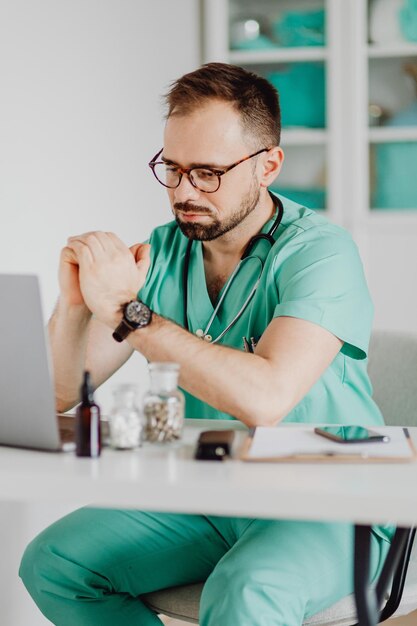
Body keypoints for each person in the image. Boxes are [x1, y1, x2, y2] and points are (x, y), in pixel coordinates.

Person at [19, 62, 392, 626]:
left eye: (208, 172)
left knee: (243, 594)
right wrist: (77, 300)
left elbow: (265, 400)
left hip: (332, 502)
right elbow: (56, 394)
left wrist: (129, 312)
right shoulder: (165, 251)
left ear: (268, 165)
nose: (183, 192)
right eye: (171, 168)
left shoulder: (322, 253)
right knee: (55, 564)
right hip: (211, 495)